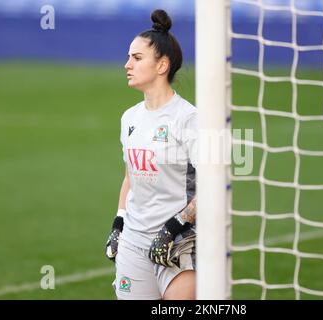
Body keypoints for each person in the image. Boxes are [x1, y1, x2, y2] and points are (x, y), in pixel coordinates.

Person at [104, 9, 197, 300]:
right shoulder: (129, 118)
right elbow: (131, 175)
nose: (126, 64)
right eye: (129, 57)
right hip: (133, 242)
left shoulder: (189, 118)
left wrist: (176, 226)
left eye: (137, 58)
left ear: (162, 65)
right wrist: (119, 222)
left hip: (180, 242)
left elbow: (214, 183)